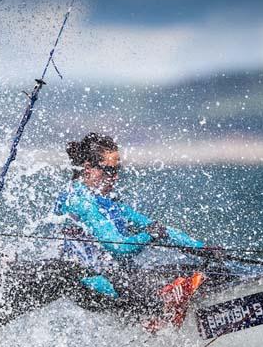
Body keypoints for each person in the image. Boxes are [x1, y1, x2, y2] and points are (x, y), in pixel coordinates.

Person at [54, 132, 208, 329]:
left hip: (118, 277)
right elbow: (119, 247)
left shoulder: (108, 202)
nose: (115, 176)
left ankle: (160, 318)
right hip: (92, 286)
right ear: (88, 169)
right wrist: (149, 235)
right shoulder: (79, 202)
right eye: (109, 170)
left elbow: (158, 228)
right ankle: (163, 313)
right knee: (155, 282)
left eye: (118, 169)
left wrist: (201, 248)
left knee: (194, 270)